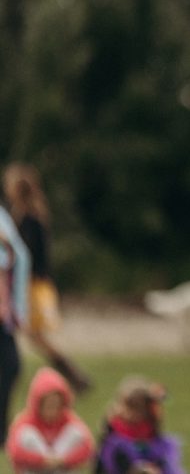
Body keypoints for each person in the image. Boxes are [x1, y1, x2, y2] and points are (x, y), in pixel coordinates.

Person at [2, 164, 92, 394]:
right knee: (33, 336)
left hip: (31, 285)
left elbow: (24, 255)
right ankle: (72, 374)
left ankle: (72, 373)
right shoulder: (30, 213)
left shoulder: (28, 217)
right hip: (35, 284)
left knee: (32, 334)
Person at [6, 367, 94, 473]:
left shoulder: (68, 419)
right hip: (36, 469)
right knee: (27, 435)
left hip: (61, 468)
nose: (53, 411)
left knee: (75, 433)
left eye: (57, 406)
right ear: (38, 404)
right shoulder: (26, 421)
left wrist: (63, 461)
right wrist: (43, 460)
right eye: (48, 406)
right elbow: (14, 451)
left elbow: (88, 448)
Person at [95, 376, 183, 474]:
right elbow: (103, 466)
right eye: (128, 407)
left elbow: (164, 465)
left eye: (138, 408)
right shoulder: (112, 440)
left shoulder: (156, 440)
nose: (130, 413)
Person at [0, 204, 29, 450]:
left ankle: (1, 431)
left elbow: (18, 256)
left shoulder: (1, 215)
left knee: (11, 367)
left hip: (3, 312)